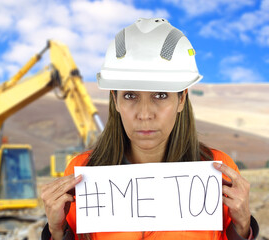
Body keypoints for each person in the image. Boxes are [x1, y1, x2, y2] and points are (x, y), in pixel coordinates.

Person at [41, 18, 259, 240]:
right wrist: (57, 232)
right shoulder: (81, 172)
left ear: (181, 99)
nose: (144, 114)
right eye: (130, 96)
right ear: (115, 100)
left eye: (160, 95)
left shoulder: (218, 171)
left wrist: (241, 228)